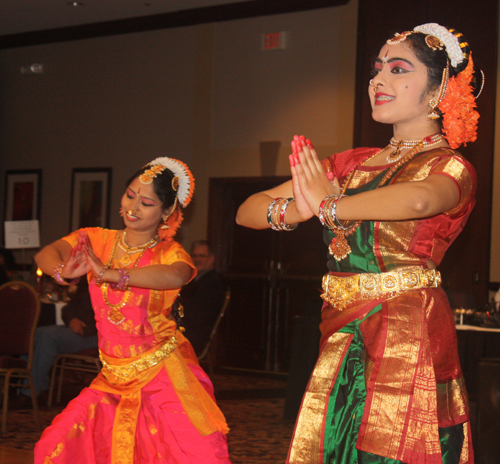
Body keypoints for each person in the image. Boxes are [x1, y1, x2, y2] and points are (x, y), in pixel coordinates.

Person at [236, 23, 478, 464]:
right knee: (335, 441)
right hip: (342, 332)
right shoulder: (350, 163)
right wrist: (297, 210)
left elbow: (420, 198)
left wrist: (330, 204)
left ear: (438, 87)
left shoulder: (450, 167)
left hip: (408, 333)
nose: (378, 80)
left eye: (398, 69)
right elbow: (248, 210)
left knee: (393, 449)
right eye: (376, 69)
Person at [34, 157, 231, 463]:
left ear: (167, 212)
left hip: (161, 375)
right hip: (112, 377)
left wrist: (113, 274)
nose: (133, 208)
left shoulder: (171, 253)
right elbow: (48, 252)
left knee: (191, 453)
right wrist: (62, 271)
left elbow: (177, 275)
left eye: (147, 203)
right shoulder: (97, 239)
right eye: (130, 195)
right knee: (55, 449)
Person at [14, 278, 98, 407]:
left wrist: (86, 328)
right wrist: (71, 320)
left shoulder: (109, 283)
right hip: (78, 329)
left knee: (48, 337)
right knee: (34, 335)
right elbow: (67, 308)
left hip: (94, 334)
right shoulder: (87, 282)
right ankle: (36, 387)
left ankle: (30, 392)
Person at [180, 240, 225, 356]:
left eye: (202, 256)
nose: (197, 259)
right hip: (188, 330)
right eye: (194, 256)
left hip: (196, 336)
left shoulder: (211, 283)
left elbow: (197, 318)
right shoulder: (194, 279)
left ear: (211, 259)